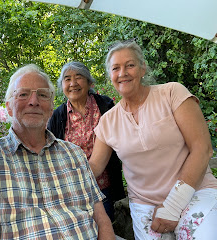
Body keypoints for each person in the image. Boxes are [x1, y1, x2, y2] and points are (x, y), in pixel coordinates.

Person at [0, 64, 115, 240]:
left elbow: (102, 220)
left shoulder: (74, 154)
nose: (34, 101)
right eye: (23, 94)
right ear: (8, 107)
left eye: (42, 95)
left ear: (51, 108)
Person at [89, 40, 217, 240]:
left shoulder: (172, 93)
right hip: (145, 204)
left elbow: (203, 148)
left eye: (130, 65)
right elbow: (94, 167)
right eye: (116, 68)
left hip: (195, 192)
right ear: (110, 76)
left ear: (142, 68)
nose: (122, 73)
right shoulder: (107, 121)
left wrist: (173, 205)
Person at [47, 61, 125, 221]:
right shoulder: (58, 116)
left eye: (79, 77)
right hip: (71, 191)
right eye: (67, 79)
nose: (73, 83)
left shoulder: (106, 106)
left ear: (89, 82)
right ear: (62, 85)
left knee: (104, 229)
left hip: (104, 188)